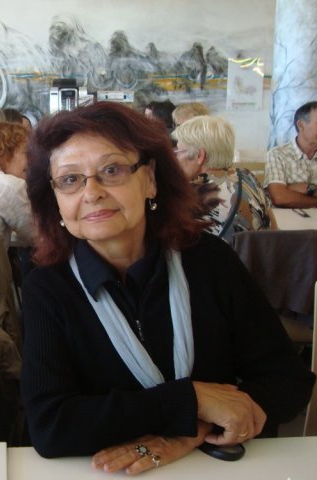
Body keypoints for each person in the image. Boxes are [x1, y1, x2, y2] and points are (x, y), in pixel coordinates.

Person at [21, 102, 314, 473]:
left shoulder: (209, 262)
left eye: (111, 170)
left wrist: (193, 430)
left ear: (150, 179)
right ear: (55, 199)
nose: (91, 193)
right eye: (69, 180)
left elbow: (289, 380)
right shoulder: (47, 287)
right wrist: (192, 400)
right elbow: (49, 426)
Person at [173, 115, 276, 242]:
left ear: (200, 155)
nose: (174, 158)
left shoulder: (196, 194)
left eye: (178, 151)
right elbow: (271, 222)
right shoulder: (246, 175)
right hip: (261, 253)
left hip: (220, 255)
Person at [265, 101, 317, 208]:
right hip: (287, 217)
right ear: (301, 125)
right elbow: (280, 197)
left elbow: (280, 192)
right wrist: (312, 190)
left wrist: (291, 188)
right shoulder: (278, 154)